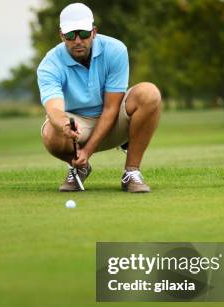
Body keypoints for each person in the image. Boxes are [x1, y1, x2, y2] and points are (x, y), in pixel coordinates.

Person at [37, 2, 162, 193]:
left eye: (84, 33)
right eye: (71, 35)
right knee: (51, 134)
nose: (78, 40)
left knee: (149, 93)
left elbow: (111, 108)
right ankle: (80, 167)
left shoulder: (115, 50)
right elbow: (54, 109)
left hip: (114, 120)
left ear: (94, 32)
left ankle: (131, 172)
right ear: (61, 35)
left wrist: (88, 151)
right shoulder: (49, 64)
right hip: (78, 127)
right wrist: (64, 124)